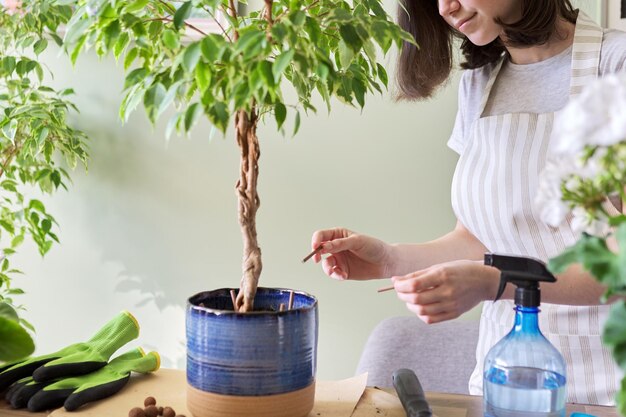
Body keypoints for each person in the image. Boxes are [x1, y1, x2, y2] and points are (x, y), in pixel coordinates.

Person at [309, 0, 626, 406]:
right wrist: (389, 259)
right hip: (503, 386)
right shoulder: (480, 85)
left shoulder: (615, 67)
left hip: (607, 388)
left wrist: (496, 283)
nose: (446, 7)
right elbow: (479, 238)